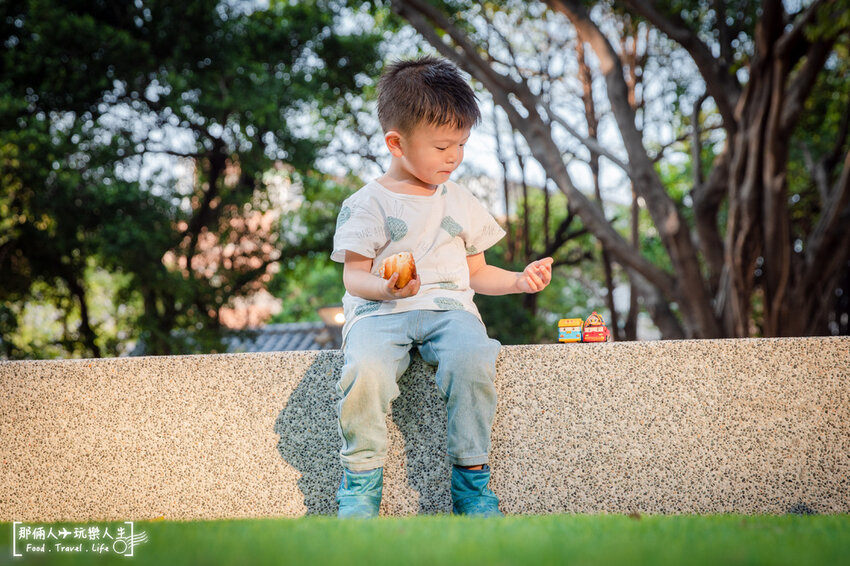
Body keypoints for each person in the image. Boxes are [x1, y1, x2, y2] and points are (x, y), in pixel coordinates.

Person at [331, 55, 553, 518]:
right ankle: (360, 485)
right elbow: (353, 276)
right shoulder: (367, 203)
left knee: (473, 358)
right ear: (396, 143)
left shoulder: (460, 200)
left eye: (462, 145)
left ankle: (472, 485)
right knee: (366, 370)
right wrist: (386, 289)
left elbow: (476, 273)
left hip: (451, 310)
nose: (454, 157)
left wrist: (518, 280)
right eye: (442, 146)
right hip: (379, 313)